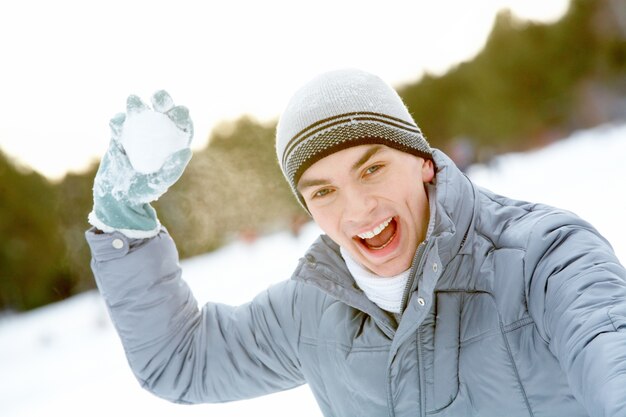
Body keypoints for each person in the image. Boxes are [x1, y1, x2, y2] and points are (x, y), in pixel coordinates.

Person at [85, 69, 626, 417]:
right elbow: (181, 362)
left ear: (421, 161)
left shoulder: (543, 258)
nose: (357, 210)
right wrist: (122, 224)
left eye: (371, 169)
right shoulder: (309, 311)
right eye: (323, 191)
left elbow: (609, 341)